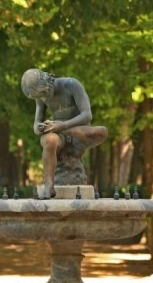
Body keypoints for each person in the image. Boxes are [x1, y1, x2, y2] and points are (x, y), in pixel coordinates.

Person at [21, 69, 107, 198]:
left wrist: (62, 126)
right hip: (58, 135)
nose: (44, 98)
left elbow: (87, 115)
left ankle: (62, 129)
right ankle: (49, 186)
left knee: (102, 132)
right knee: (49, 140)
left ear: (48, 82)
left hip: (77, 132)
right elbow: (36, 122)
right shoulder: (40, 97)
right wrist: (39, 128)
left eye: (45, 94)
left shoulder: (71, 85)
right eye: (40, 97)